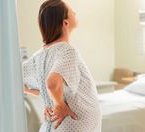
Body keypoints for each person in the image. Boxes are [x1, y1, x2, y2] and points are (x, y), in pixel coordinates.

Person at [23, 0, 101, 131]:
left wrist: (28, 90)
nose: (75, 12)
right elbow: (52, 84)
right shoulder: (67, 50)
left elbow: (41, 86)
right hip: (74, 124)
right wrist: (59, 105)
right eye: (72, 11)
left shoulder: (39, 56)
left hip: (55, 125)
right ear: (65, 23)